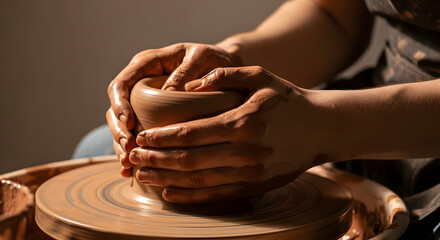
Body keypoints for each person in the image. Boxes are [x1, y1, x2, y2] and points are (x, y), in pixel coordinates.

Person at [74, 0, 439, 238]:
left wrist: (325, 127)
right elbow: (333, 17)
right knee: (98, 149)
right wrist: (230, 62)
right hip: (386, 85)